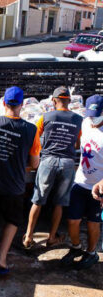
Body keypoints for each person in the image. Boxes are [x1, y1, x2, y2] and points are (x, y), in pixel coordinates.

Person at [0, 87, 41, 276]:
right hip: (14, 186)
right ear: (21, 105)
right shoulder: (31, 130)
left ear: (4, 104)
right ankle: (2, 258)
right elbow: (35, 163)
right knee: (12, 221)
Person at [23, 87, 83, 249]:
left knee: (38, 200)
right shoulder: (78, 119)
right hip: (68, 163)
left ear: (54, 101)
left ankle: (28, 236)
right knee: (59, 203)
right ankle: (51, 237)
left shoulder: (45, 117)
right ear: (69, 101)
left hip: (47, 161)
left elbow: (34, 138)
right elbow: (77, 144)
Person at [61, 95, 103, 269]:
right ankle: (76, 247)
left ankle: (91, 252)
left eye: (97, 115)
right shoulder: (85, 123)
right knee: (72, 220)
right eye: (91, 114)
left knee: (93, 224)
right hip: (80, 182)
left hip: (98, 188)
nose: (93, 118)